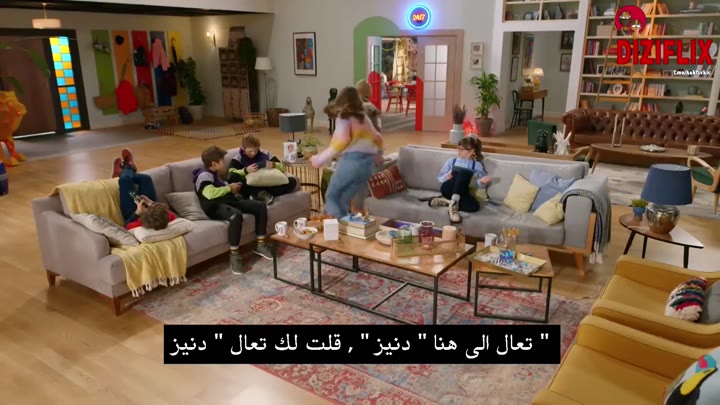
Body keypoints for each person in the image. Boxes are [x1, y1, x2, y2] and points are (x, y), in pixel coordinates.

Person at [192, 146, 272, 275]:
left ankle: (260, 244)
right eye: (223, 160)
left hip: (227, 201)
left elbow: (221, 187)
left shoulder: (214, 174)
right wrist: (229, 188)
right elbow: (209, 193)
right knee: (236, 215)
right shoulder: (204, 175)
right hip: (214, 207)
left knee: (260, 206)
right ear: (214, 163)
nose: (225, 163)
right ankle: (235, 255)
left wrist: (233, 188)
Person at [311, 86, 384, 219]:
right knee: (344, 199)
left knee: (332, 196)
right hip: (367, 167)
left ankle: (335, 224)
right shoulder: (364, 118)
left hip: (351, 162)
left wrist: (320, 159)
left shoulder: (344, 118)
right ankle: (344, 224)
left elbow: (341, 141)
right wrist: (379, 156)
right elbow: (378, 137)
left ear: (341, 100)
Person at [430, 136, 491, 223]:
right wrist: (446, 177)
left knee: (474, 206)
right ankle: (453, 207)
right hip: (448, 189)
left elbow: (479, 184)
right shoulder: (452, 161)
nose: (458, 151)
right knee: (463, 172)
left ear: (471, 151)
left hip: (463, 193)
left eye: (462, 149)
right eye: (458, 148)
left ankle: (449, 202)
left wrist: (482, 182)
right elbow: (440, 178)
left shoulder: (477, 165)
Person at [111, 148, 176, 231]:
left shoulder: (138, 224)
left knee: (124, 180)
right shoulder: (169, 217)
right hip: (151, 210)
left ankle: (127, 168)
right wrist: (151, 203)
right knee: (146, 179)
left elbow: (127, 226)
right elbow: (170, 215)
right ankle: (126, 170)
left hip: (133, 213)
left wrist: (138, 211)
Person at [228, 134, 298, 205]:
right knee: (232, 176)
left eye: (256, 150)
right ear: (243, 148)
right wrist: (246, 171)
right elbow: (231, 173)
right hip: (251, 186)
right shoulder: (238, 158)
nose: (253, 153)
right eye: (250, 151)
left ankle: (258, 195)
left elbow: (281, 166)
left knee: (292, 181)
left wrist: (274, 165)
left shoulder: (266, 153)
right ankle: (261, 194)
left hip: (268, 183)